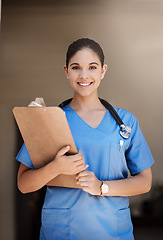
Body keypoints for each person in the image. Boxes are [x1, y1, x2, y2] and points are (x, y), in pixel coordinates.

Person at [16, 38, 154, 240]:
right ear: (66, 71)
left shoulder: (125, 122)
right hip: (61, 232)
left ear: (103, 71)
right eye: (76, 67)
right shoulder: (49, 120)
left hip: (113, 233)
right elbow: (23, 183)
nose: (84, 75)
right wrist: (55, 167)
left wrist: (102, 187)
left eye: (92, 67)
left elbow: (145, 182)